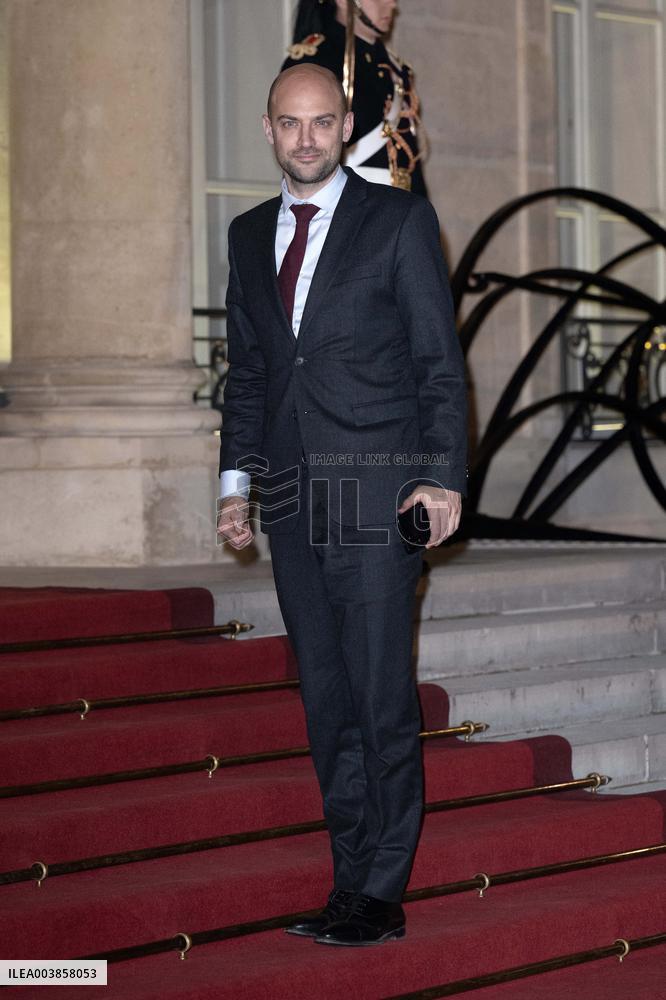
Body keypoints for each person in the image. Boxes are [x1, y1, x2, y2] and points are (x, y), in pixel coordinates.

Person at [216, 63, 466, 947]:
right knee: (326, 698)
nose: (309, 138)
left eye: (324, 122)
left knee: (378, 694)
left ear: (345, 121)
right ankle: (348, 877)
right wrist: (236, 484)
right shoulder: (248, 235)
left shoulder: (398, 219)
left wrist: (439, 477)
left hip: (376, 489)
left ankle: (381, 888)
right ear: (268, 128)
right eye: (292, 123)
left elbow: (439, 365)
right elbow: (249, 372)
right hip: (288, 498)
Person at [283, 0, 427, 195]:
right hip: (345, 206)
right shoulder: (315, 62)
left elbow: (410, 166)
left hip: (399, 209)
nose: (392, 5)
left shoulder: (395, 70)